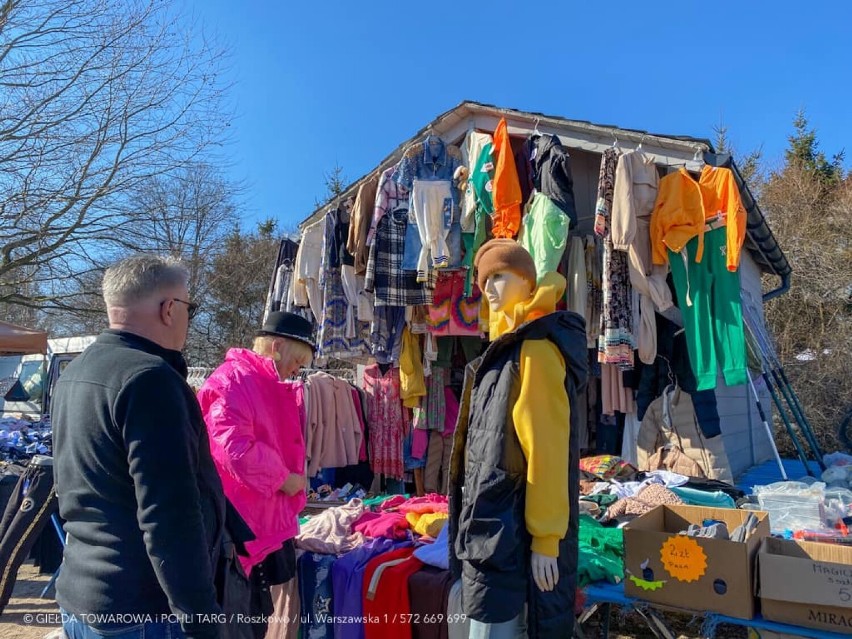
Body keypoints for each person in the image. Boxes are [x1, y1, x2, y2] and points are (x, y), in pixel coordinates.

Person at [52, 255, 225, 639]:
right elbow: (169, 516)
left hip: (82, 594)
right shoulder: (151, 380)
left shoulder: (74, 373)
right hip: (142, 611)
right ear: (168, 309)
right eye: (189, 308)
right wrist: (203, 620)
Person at [448, 239, 589, 639]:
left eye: (499, 276)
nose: (489, 289)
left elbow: (547, 450)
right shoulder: (498, 354)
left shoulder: (535, 351)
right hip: (488, 531)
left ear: (526, 282)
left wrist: (546, 537)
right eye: (485, 280)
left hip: (509, 534)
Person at [198, 311, 314, 639]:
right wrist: (284, 479)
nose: (297, 370)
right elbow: (232, 447)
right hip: (240, 524)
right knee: (241, 619)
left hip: (255, 518)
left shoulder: (255, 380)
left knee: (256, 615)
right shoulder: (233, 379)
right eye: (297, 360)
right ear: (277, 346)